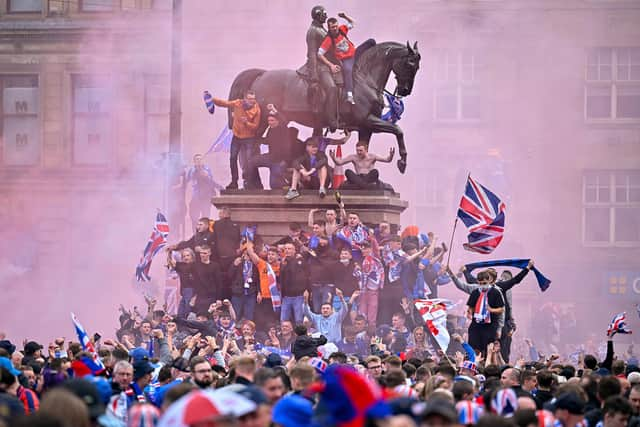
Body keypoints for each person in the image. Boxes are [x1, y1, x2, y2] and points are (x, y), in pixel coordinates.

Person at [297, 5, 339, 130]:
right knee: (331, 88)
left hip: (328, 63)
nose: (326, 16)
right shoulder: (313, 31)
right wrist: (314, 75)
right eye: (323, 14)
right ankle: (331, 118)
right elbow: (312, 53)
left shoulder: (321, 28)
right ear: (318, 15)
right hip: (321, 66)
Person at [212, 90, 261, 190]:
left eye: (253, 99)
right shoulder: (238, 103)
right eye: (250, 99)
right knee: (232, 158)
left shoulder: (257, 109)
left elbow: (255, 127)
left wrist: (246, 123)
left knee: (249, 160)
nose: (252, 101)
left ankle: (250, 182)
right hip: (237, 136)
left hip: (249, 138)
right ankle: (234, 182)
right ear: (245, 99)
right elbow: (224, 103)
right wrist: (212, 100)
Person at [246, 104, 299, 190]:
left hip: (279, 161)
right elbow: (267, 140)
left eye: (272, 120)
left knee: (274, 185)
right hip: (270, 157)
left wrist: (274, 109)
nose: (270, 122)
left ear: (278, 121)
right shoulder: (270, 129)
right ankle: (256, 185)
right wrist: (257, 139)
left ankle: (289, 186)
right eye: (269, 121)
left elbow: (283, 120)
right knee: (251, 162)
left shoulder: (283, 128)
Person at [317, 12, 357, 104]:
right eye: (332, 27)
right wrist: (330, 65)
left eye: (335, 26)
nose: (335, 29)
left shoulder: (342, 29)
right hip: (346, 59)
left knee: (371, 42)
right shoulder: (329, 39)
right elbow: (319, 54)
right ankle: (350, 95)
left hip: (355, 53)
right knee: (347, 70)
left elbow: (352, 23)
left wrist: (345, 16)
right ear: (329, 28)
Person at [329, 141, 394, 189]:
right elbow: (339, 163)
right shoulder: (353, 157)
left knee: (375, 172)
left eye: (361, 150)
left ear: (366, 150)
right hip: (358, 177)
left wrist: (391, 156)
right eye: (357, 150)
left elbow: (387, 160)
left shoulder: (372, 156)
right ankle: (365, 186)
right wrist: (333, 158)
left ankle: (360, 186)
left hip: (368, 178)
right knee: (348, 171)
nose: (358, 152)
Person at [185, 154, 223, 232]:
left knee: (205, 216)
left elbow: (211, 181)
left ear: (202, 161)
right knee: (194, 217)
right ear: (194, 161)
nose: (199, 161)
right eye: (197, 159)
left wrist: (219, 187)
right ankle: (195, 234)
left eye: (200, 159)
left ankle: (205, 234)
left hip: (206, 197)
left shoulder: (207, 169)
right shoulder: (191, 170)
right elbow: (187, 181)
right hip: (195, 197)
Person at [353, 241, 384, 328]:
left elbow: (375, 274)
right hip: (363, 291)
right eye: (362, 249)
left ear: (370, 249)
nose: (363, 250)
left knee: (372, 316)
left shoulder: (375, 260)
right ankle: (360, 335)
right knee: (362, 314)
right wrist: (357, 270)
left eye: (365, 248)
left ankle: (371, 336)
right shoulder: (362, 260)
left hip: (373, 290)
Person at [279, 243, 309, 325]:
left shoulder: (300, 261)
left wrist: (307, 289)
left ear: (294, 250)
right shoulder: (283, 262)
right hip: (286, 296)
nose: (287, 251)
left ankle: (300, 336)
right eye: (286, 249)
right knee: (283, 319)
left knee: (299, 320)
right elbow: (281, 278)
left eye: (290, 249)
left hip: (298, 295)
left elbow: (307, 276)